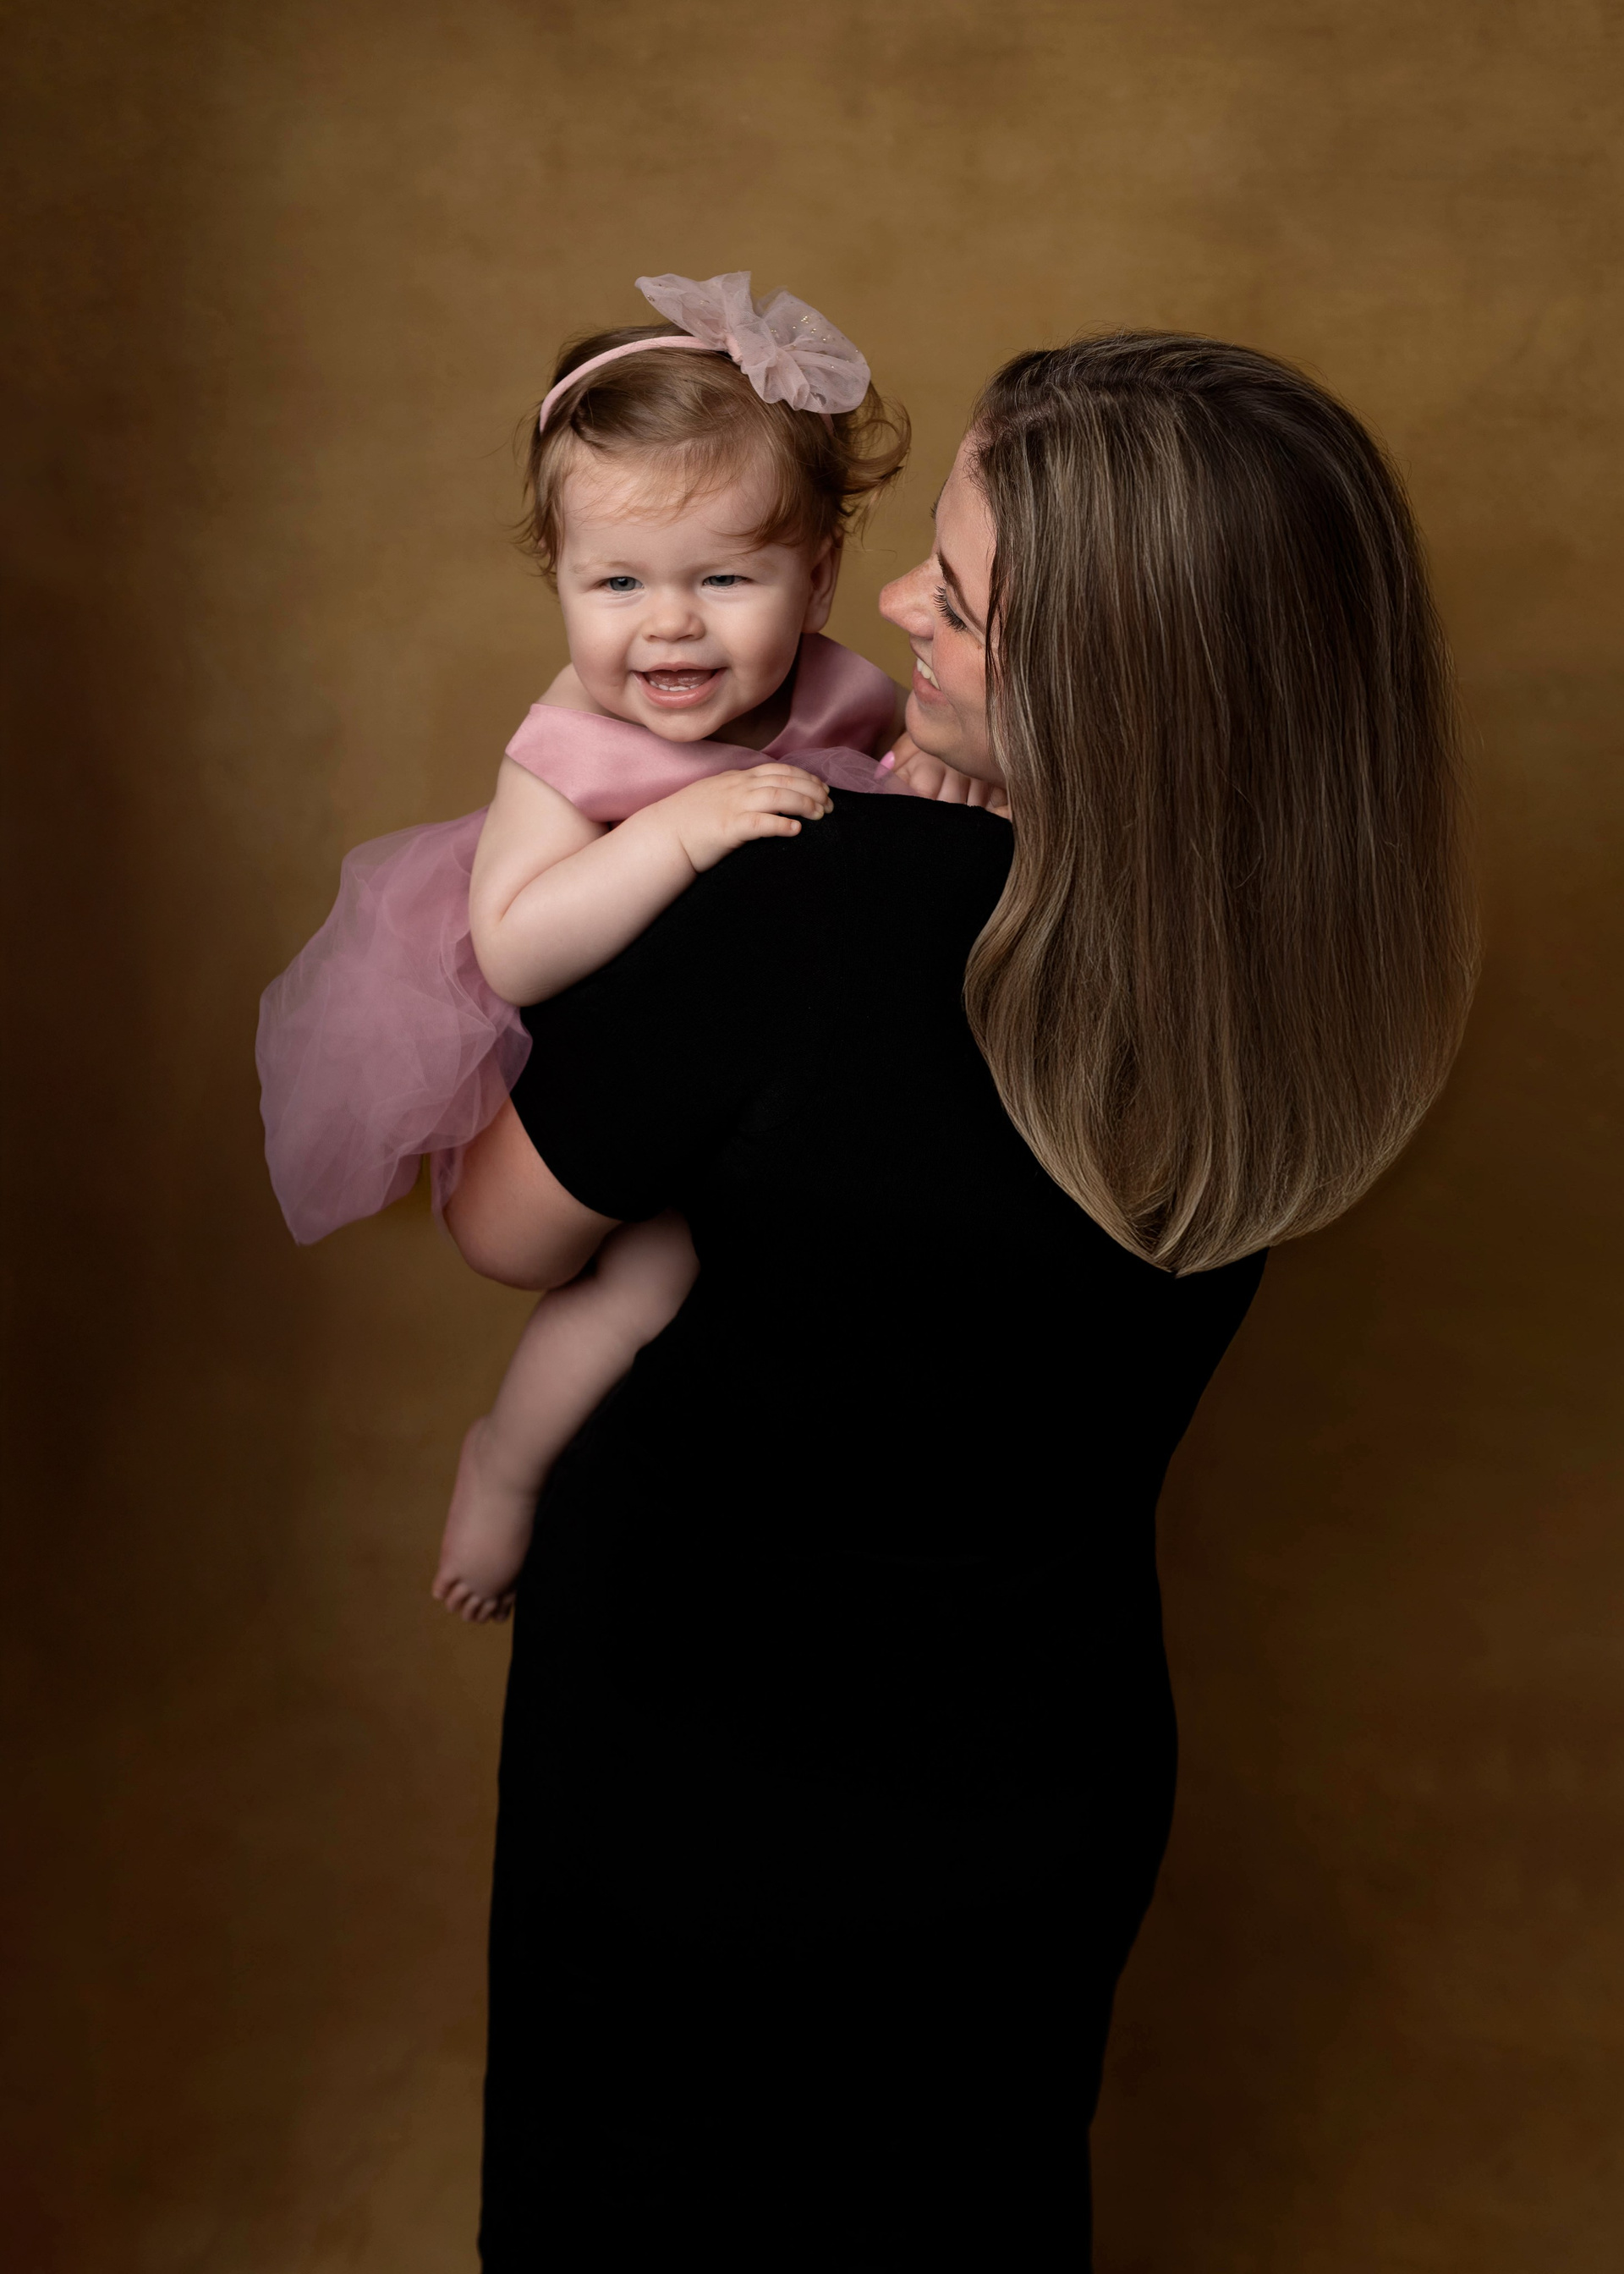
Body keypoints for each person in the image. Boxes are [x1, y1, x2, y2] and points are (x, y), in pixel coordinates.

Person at [445, 330, 1476, 2267]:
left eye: (972, 605)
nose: (901, 599)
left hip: (692, 1774)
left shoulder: (809, 900)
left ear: (1119, 681)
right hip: (1040, 1792)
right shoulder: (1290, 992)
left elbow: (503, 1226)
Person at [258, 272, 996, 1619]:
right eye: (614, 582)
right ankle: (506, 1463)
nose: (668, 624)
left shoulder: (837, 683)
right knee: (645, 1284)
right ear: (557, 577)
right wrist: (678, 832)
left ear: (818, 576)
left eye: (725, 578)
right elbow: (515, 949)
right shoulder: (569, 745)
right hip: (579, 1065)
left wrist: (939, 775)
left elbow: (877, 796)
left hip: (763, 1093)